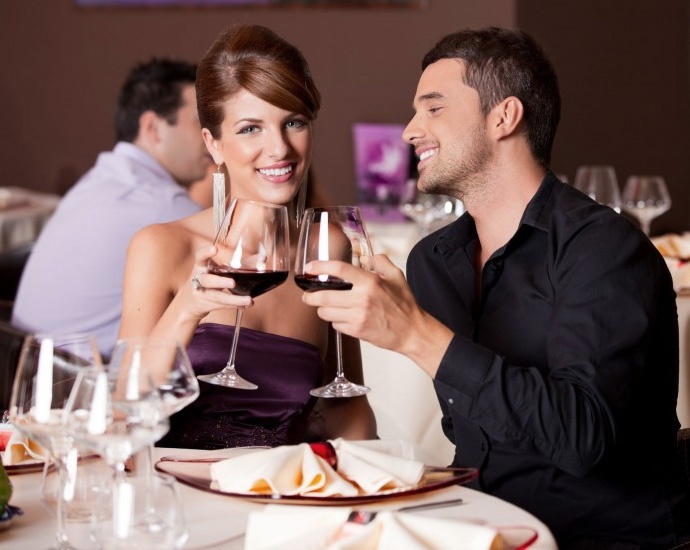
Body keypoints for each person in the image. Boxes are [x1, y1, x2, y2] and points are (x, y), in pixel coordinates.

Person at [301, 27, 690, 548]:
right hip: (480, 527)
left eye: (433, 108)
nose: (410, 131)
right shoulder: (434, 262)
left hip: (600, 539)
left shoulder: (602, 248)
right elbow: (472, 435)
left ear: (504, 117)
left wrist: (416, 335)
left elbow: (583, 440)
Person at [118, 24, 376, 449]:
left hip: (281, 486)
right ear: (214, 144)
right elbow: (122, 411)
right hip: (171, 485)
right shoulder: (161, 247)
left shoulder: (326, 247)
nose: (279, 148)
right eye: (250, 128)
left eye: (293, 122)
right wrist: (188, 308)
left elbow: (344, 406)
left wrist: (372, 476)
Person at [12, 58, 210, 358]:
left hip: (23, 366)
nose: (212, 137)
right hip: (81, 381)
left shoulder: (97, 182)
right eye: (201, 122)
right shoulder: (163, 206)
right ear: (152, 127)